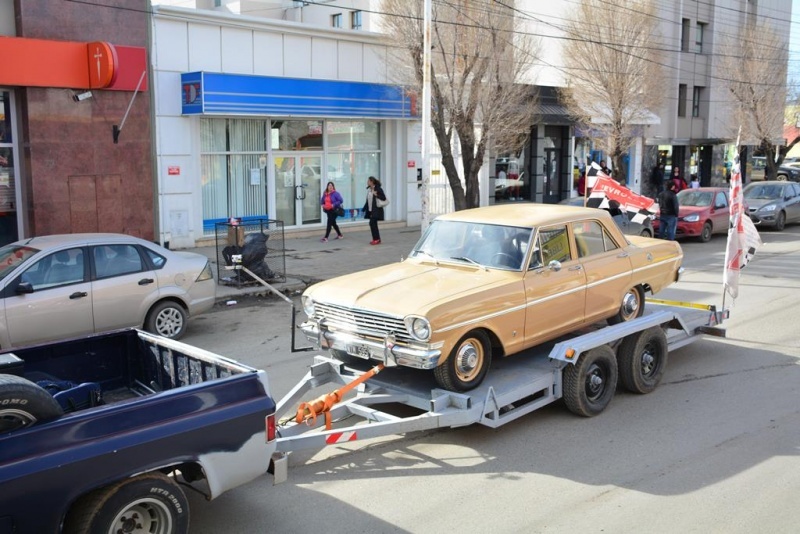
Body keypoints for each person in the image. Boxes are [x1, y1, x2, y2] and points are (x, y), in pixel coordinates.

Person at [363, 176, 386, 245]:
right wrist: (364, 208)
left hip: (376, 210)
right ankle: (377, 239)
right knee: (373, 224)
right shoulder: (369, 189)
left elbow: (383, 197)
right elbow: (368, 200)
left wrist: (376, 195)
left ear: (372, 182)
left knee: (372, 223)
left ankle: (376, 239)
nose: (367, 182)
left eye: (368, 181)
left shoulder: (378, 189)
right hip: (371, 210)